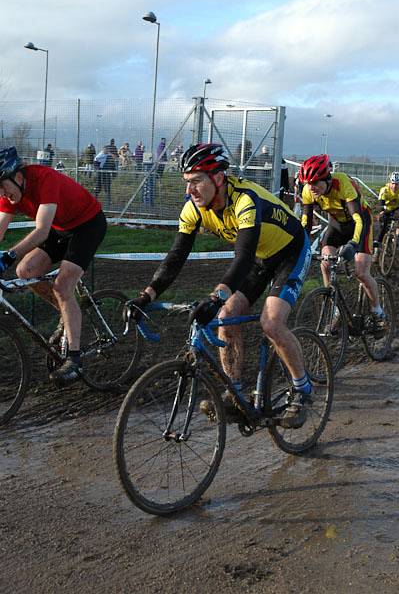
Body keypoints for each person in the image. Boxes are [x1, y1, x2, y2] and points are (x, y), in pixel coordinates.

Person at [126, 143, 313, 428]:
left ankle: (302, 390)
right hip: (260, 257)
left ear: (218, 178)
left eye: (196, 181)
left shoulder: (245, 199)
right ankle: (235, 394)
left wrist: (216, 296)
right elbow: (176, 256)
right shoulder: (193, 208)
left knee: (272, 323)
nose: (190, 190)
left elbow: (243, 256)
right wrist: (147, 295)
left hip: (289, 251)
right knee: (226, 316)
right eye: (187, 182)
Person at [0, 146, 107, 384]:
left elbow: (41, 231)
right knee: (24, 271)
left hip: (88, 225)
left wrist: (7, 255)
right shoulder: (10, 192)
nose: (1, 193)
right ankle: (66, 311)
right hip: (61, 228)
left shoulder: (44, 179)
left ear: (17, 176)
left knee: (63, 286)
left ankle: (75, 359)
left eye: (2, 186)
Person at [299, 154, 386, 332]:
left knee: (361, 272)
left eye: (315, 182)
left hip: (360, 222)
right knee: (325, 264)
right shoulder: (308, 191)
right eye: (308, 183)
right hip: (337, 225)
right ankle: (337, 311)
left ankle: (378, 312)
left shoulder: (343, 183)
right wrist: (300, 245)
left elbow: (358, 219)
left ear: (327, 179)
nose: (311, 187)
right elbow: (306, 222)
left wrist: (354, 244)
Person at [374, 171, 399, 257]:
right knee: (383, 227)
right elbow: (381, 204)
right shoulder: (384, 190)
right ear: (390, 183)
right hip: (386, 209)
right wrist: (382, 212)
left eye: (397, 184)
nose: (395, 186)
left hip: (396, 210)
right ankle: (376, 251)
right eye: (393, 184)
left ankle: (396, 240)